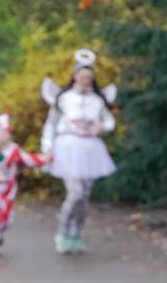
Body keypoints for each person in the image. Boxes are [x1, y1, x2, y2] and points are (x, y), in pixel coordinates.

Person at [40, 48, 117, 254]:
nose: (85, 81)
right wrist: (47, 149)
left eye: (89, 78)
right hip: (68, 149)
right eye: (82, 77)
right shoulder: (63, 98)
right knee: (75, 193)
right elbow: (51, 124)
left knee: (85, 196)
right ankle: (63, 231)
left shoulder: (98, 100)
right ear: (75, 77)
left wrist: (103, 127)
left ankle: (76, 234)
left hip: (90, 150)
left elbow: (109, 121)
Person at [0, 113, 51, 257]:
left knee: (7, 221)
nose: (0, 136)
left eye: (3, 132)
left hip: (8, 193)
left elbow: (29, 160)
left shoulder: (13, 150)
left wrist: (45, 159)